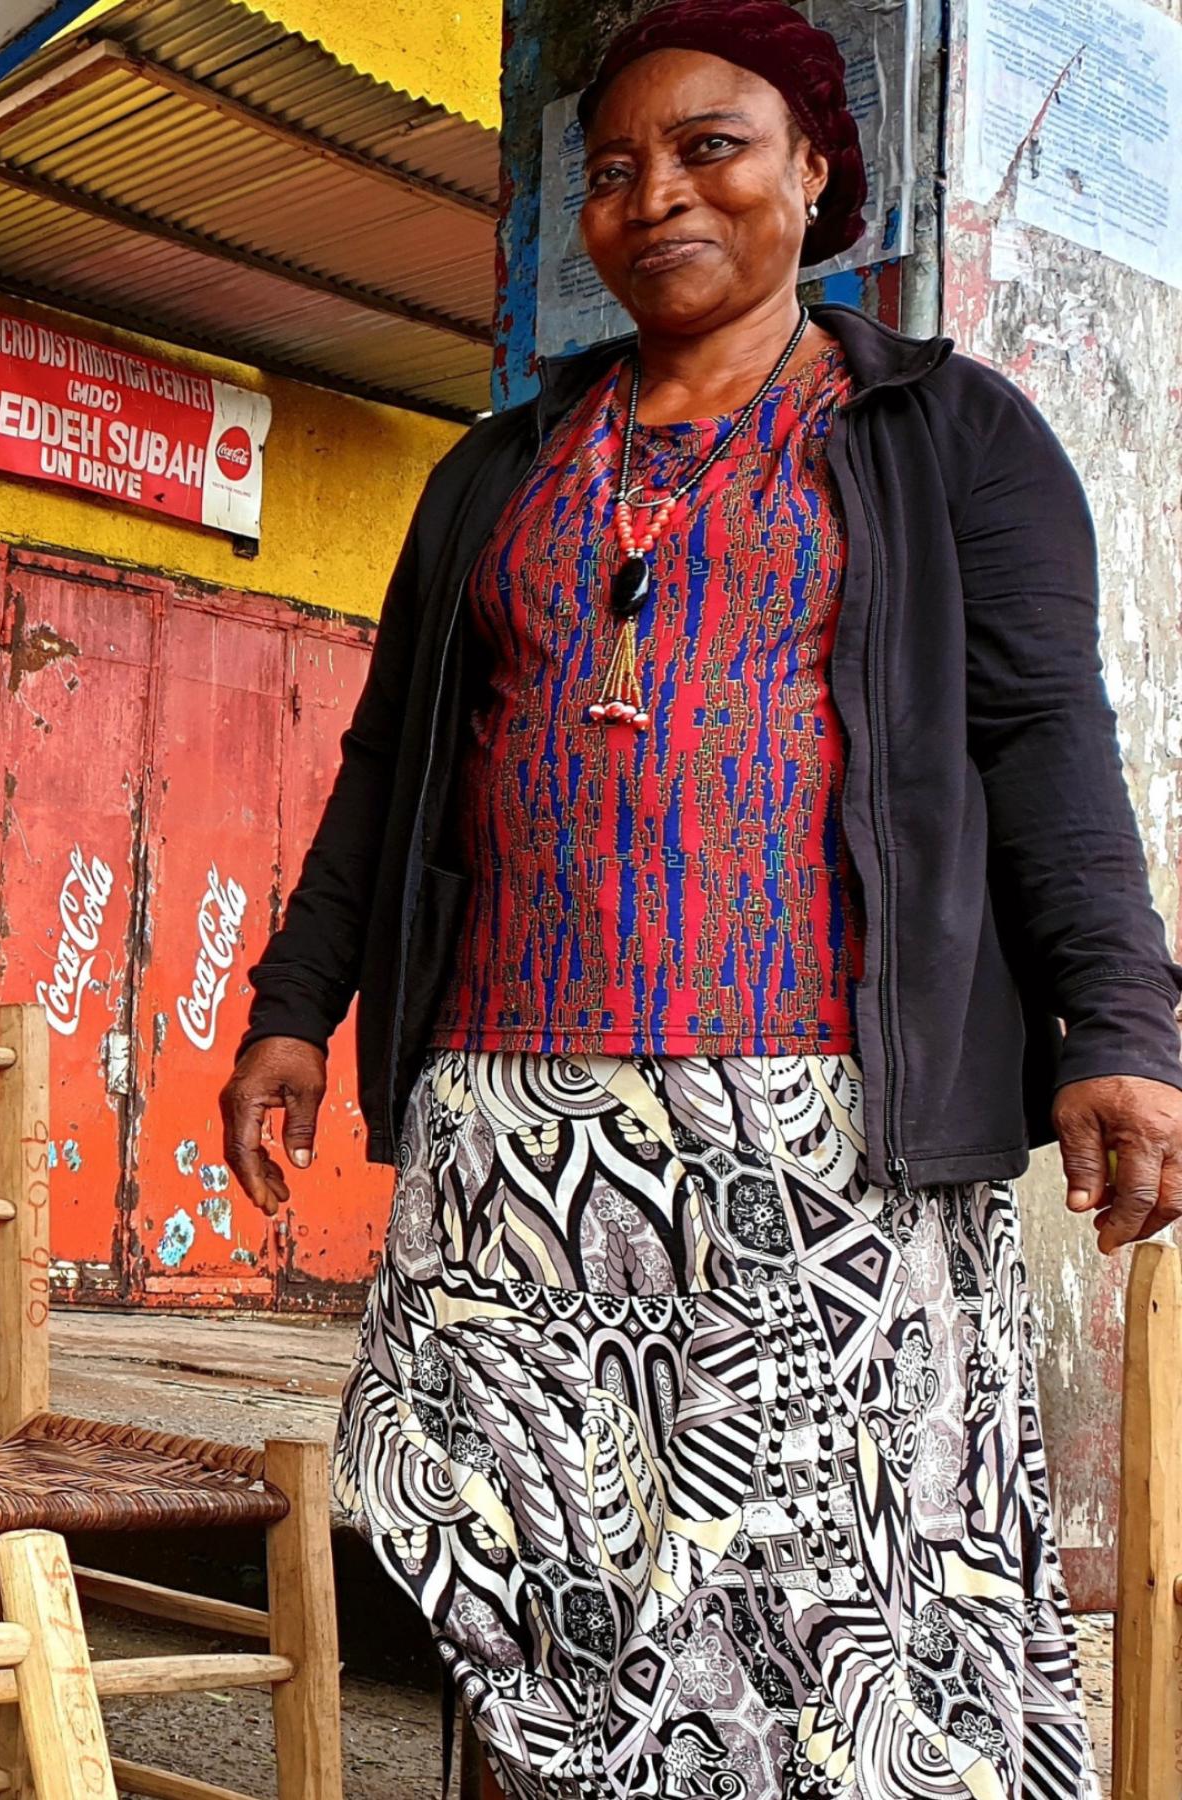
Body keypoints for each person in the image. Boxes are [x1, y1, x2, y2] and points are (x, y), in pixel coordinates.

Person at [217, 3, 1182, 1793]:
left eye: (711, 147)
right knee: (536, 1578)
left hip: (826, 1137)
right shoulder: (496, 474)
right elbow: (388, 767)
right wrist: (296, 1004)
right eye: (611, 170)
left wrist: (1122, 1029)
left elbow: (1050, 743)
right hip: (519, 1125)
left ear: (816, 173)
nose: (655, 194)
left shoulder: (945, 436)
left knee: (827, 1612)